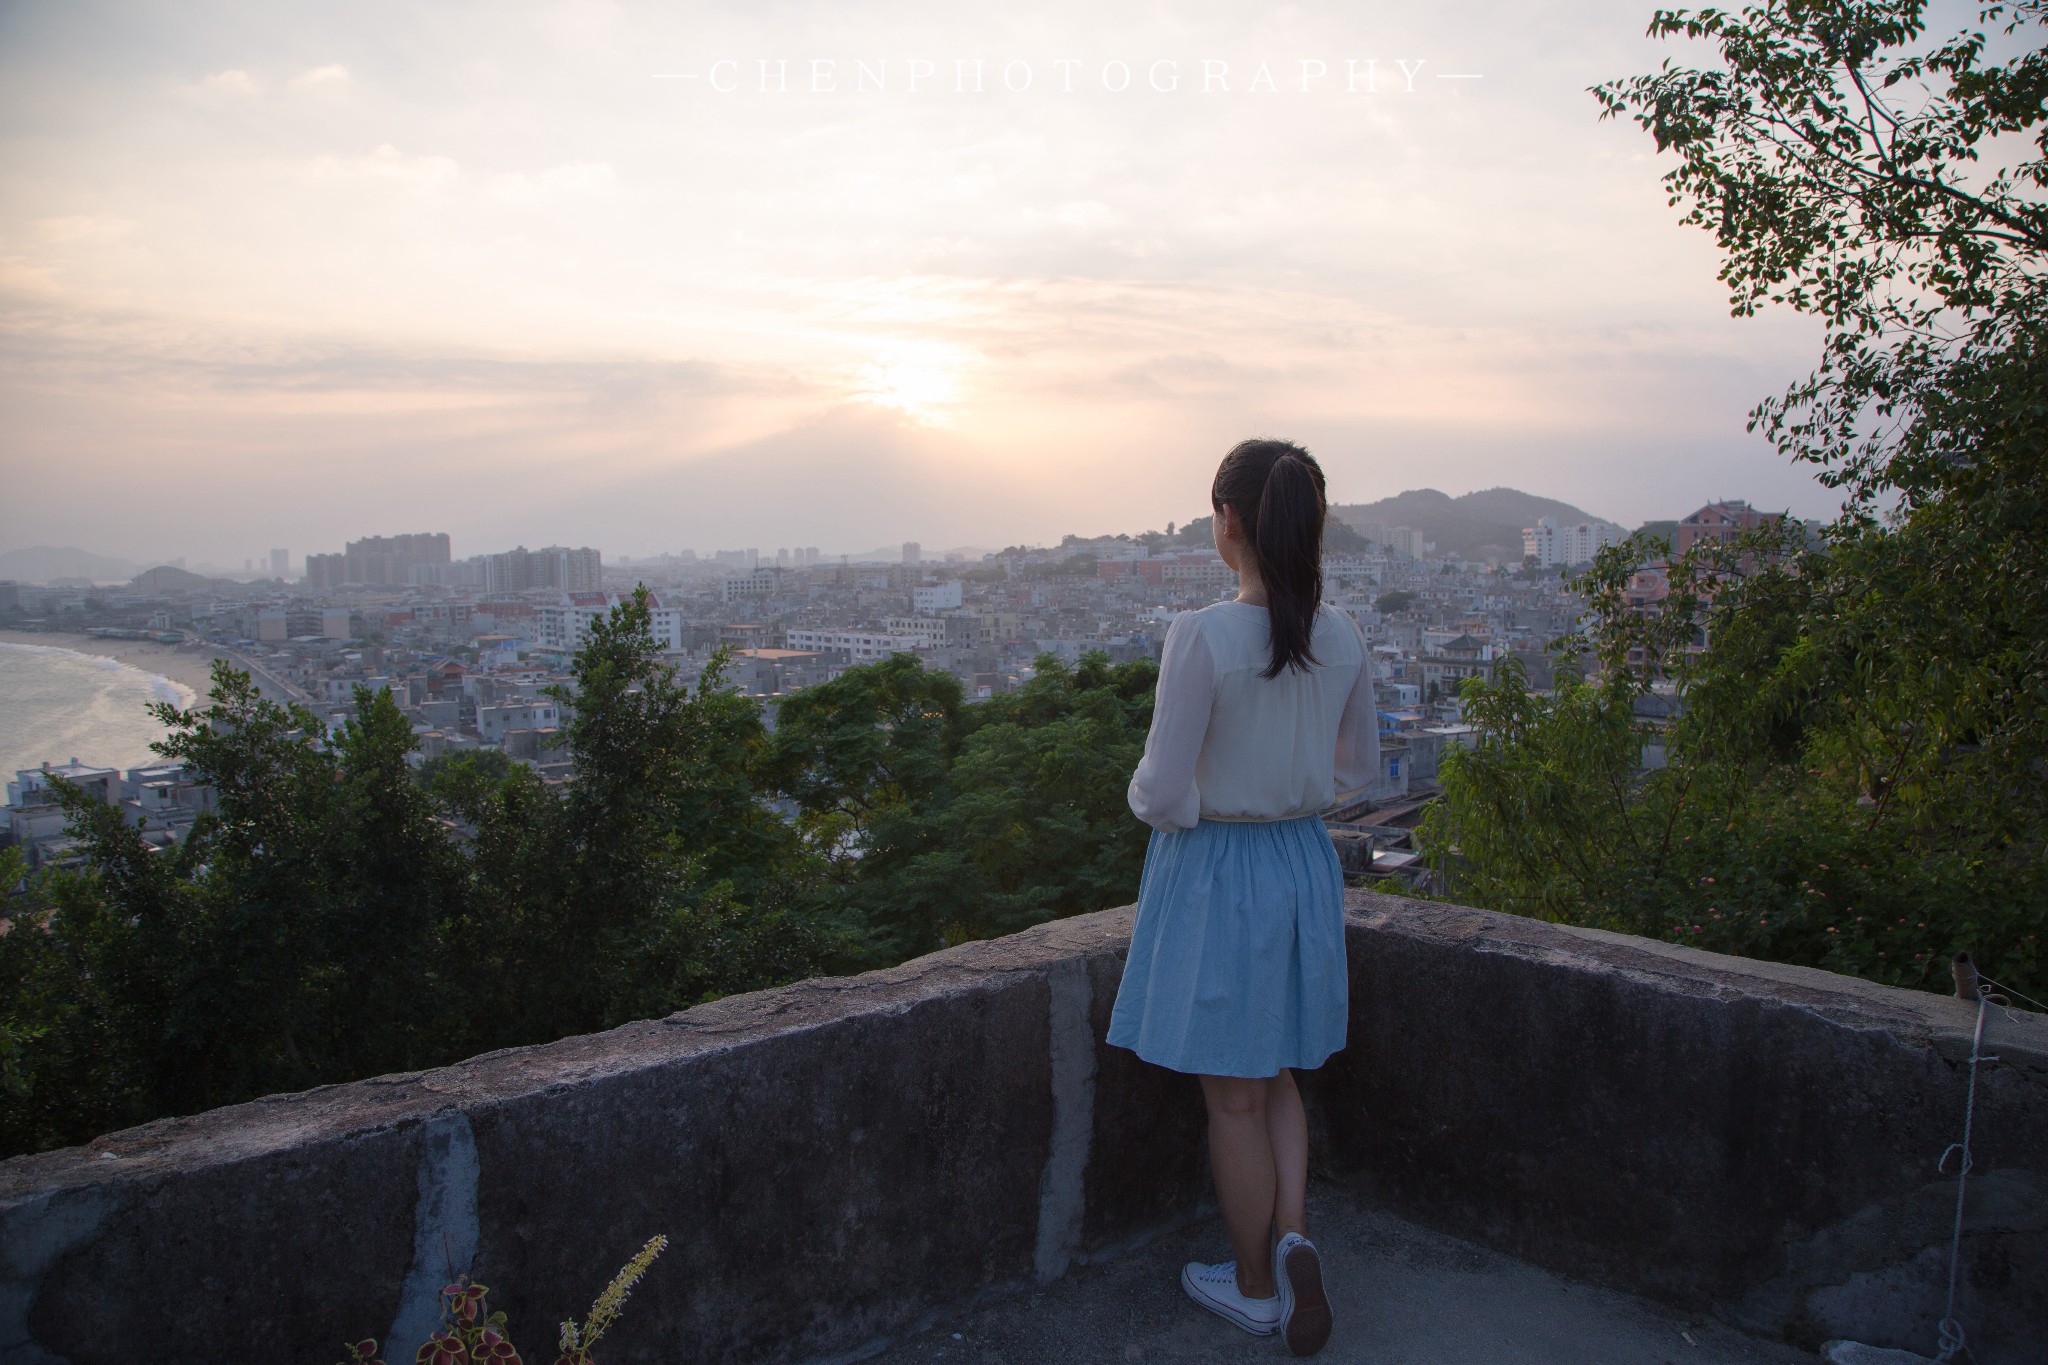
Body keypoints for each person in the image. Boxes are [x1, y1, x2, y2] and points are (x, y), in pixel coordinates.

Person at [1107, 438, 1378, 1358]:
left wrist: (1209, 803)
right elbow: (1356, 769)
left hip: (1220, 868)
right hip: (1303, 863)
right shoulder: (1340, 633)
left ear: (1229, 522)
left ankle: (1256, 1286)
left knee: (1231, 1097)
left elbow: (1159, 789)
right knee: (1279, 1073)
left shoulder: (1207, 634)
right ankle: (1293, 1233)